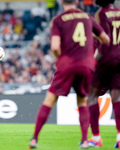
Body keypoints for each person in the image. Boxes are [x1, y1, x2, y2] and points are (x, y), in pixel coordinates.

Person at [28, 0, 110, 149]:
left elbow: (54, 46)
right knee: (82, 101)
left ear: (62, 2)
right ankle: (85, 140)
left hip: (67, 63)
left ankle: (34, 139)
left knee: (50, 99)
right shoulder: (88, 17)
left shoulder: (58, 20)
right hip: (86, 64)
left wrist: (61, 57)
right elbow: (105, 39)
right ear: (77, 2)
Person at [87, 0, 120, 148]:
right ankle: (119, 136)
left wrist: (94, 62)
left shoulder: (101, 13)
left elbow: (104, 40)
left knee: (91, 96)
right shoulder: (119, 12)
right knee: (116, 97)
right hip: (119, 59)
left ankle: (96, 137)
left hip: (106, 60)